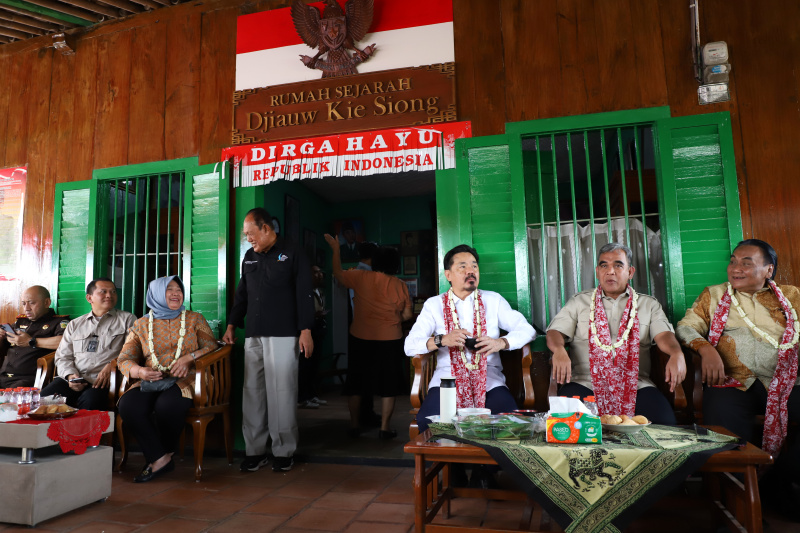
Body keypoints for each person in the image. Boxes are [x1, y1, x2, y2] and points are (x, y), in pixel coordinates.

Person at [676, 239, 800, 518]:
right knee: (724, 433)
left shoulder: (793, 297)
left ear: (769, 270)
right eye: (733, 260)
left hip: (787, 382)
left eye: (747, 262)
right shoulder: (714, 294)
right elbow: (686, 327)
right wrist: (705, 348)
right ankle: (737, 510)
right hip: (733, 383)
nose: (736, 268)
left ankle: (773, 483)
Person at [546, 243, 686, 424]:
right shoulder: (579, 302)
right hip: (584, 383)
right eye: (604, 265)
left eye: (618, 265)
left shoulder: (648, 304)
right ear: (597, 271)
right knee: (568, 430)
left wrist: (676, 352)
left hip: (636, 385)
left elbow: (664, 335)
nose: (610, 271)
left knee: (666, 426)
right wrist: (558, 350)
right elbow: (555, 331)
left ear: (630, 272)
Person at [404, 244, 536, 433]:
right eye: (463, 266)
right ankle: (452, 462)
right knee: (428, 424)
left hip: (488, 379)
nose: (471, 271)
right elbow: (409, 345)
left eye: (474, 266)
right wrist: (442, 340)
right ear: (448, 275)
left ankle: (486, 463)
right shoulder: (434, 305)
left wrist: (501, 343)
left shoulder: (493, 300)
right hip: (447, 381)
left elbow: (527, 330)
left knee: (509, 425)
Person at [223, 207, 315, 473]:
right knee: (252, 392)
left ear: (266, 228)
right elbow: (243, 294)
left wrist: (305, 330)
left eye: (251, 234)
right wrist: (232, 324)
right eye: (246, 235)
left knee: (282, 392)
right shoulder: (249, 257)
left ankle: (283, 451)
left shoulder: (293, 252)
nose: (248, 239)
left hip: (284, 332)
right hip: (254, 332)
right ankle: (255, 451)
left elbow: (304, 293)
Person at [116, 275, 217, 483]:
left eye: (178, 290)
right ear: (155, 295)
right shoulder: (141, 325)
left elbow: (211, 346)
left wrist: (189, 358)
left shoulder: (194, 319)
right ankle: (160, 457)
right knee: (128, 405)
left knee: (167, 405)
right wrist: (140, 372)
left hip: (187, 378)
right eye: (169, 289)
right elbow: (124, 359)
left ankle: (161, 457)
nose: (175, 293)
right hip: (152, 378)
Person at [326, 234, 412, 439]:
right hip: (389, 339)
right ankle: (384, 428)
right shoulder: (400, 285)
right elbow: (407, 315)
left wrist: (336, 249)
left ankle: (354, 426)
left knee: (356, 383)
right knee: (388, 386)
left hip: (360, 337)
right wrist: (393, 317)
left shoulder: (358, 276)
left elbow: (337, 273)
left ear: (375, 261)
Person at [40, 278, 135, 410]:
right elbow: (63, 356)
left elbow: (133, 351)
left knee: (90, 402)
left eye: (113, 292)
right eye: (103, 292)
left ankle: (88, 431)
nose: (109, 295)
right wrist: (70, 375)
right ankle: (56, 431)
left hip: (103, 381)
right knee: (45, 399)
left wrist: (113, 364)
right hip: (75, 379)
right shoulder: (75, 324)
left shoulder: (127, 320)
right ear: (89, 298)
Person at [0, 286, 68, 388]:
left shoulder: (58, 322)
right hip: (3, 376)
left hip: (28, 380)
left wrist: (30, 341)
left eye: (31, 303)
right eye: (24, 303)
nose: (26, 308)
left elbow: (65, 342)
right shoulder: (20, 321)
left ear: (47, 302)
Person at [298, 265, 327, 409]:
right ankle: (302, 397)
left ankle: (311, 395)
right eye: (315, 272)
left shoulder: (319, 291)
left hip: (318, 329)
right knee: (305, 364)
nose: (319, 275)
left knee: (314, 363)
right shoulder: (304, 291)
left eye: (320, 272)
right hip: (308, 330)